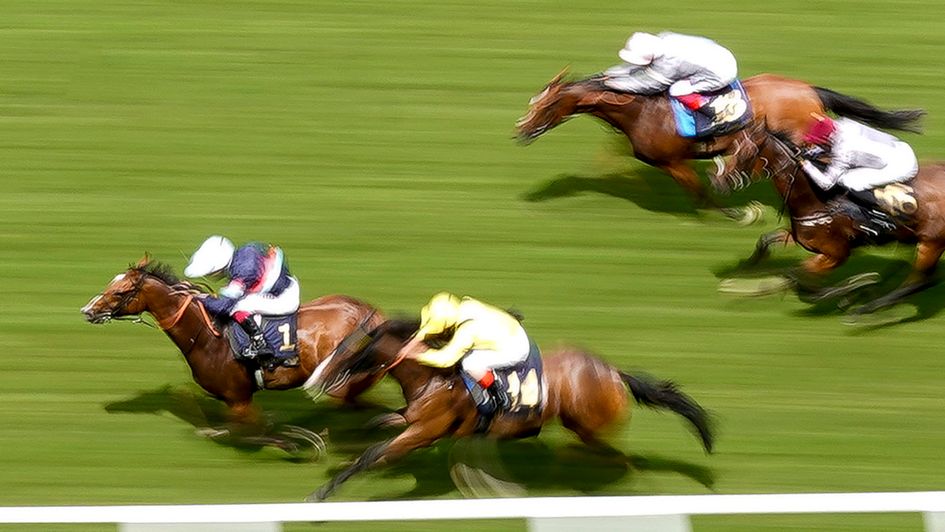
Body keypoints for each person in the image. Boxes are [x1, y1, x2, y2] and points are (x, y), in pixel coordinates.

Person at [398, 292, 535, 425]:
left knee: (469, 363)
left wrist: (418, 356)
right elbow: (432, 325)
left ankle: (497, 393)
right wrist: (413, 342)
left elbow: (446, 359)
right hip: (508, 331)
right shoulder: (464, 305)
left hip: (516, 347)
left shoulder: (466, 332)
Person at [184, 235, 301, 367]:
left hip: (284, 299)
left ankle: (260, 344)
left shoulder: (243, 271)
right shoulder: (244, 253)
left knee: (238, 307)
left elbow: (225, 306)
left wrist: (201, 299)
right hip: (285, 285)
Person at [800, 115, 919, 232]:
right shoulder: (843, 123)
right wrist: (812, 152)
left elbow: (826, 183)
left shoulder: (844, 151)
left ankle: (879, 216)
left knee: (848, 181)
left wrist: (807, 165)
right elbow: (828, 143)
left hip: (901, 166)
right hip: (901, 149)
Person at [603, 31, 738, 119]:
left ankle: (712, 112)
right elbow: (638, 65)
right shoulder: (662, 38)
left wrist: (616, 84)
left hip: (722, 72)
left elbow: (649, 85)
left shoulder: (669, 63)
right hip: (719, 55)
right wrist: (613, 73)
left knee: (677, 89)